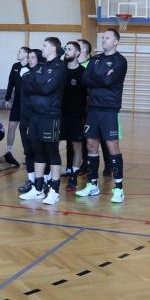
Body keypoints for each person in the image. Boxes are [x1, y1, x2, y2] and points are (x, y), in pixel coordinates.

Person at [77, 29, 128, 203]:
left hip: (109, 109)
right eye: (103, 38)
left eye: (107, 38)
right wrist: (101, 77)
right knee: (91, 145)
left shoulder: (120, 61)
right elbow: (85, 79)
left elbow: (109, 81)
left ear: (116, 42)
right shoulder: (95, 59)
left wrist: (97, 78)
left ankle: (119, 188)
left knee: (112, 147)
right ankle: (92, 184)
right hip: (92, 108)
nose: (104, 40)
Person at [19, 37, 67, 204]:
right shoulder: (41, 66)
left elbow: (47, 88)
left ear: (53, 48)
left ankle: (54, 190)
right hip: (35, 115)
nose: (42, 48)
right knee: (37, 150)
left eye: (45, 45)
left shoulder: (60, 67)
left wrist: (34, 85)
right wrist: (36, 85)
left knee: (52, 152)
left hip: (50, 114)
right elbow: (27, 85)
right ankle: (38, 189)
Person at [77, 38, 113, 178]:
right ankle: (85, 164)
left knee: (102, 137)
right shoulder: (74, 65)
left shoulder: (93, 63)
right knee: (85, 137)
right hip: (80, 106)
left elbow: (97, 81)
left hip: (94, 105)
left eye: (78, 46)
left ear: (85, 50)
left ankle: (108, 164)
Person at [61, 41, 87, 191]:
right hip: (59, 115)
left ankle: (73, 177)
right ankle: (50, 178)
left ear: (77, 53)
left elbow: (88, 95)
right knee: (52, 146)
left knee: (77, 147)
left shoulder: (83, 72)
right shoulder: (60, 70)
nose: (67, 51)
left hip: (76, 116)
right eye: (66, 49)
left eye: (70, 49)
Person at [17, 49, 41, 194]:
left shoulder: (41, 75)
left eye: (33, 57)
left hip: (37, 118)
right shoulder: (25, 73)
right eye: (29, 57)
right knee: (28, 151)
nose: (30, 60)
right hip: (25, 117)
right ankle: (31, 180)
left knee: (39, 151)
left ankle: (42, 181)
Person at [4, 47, 29, 164]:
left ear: (26, 54)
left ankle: (29, 154)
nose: (17, 53)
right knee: (11, 127)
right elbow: (11, 83)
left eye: (20, 52)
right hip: (17, 103)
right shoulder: (15, 66)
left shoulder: (31, 67)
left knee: (25, 130)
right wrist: (7, 98)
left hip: (28, 104)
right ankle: (8, 152)